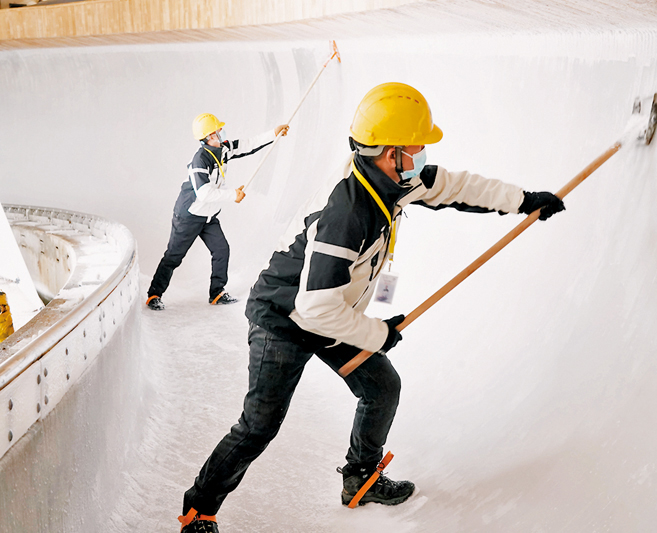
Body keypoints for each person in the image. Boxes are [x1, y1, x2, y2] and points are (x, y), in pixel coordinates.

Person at [178, 83, 565, 532]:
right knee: (259, 424)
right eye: (415, 148)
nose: (422, 155)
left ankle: (360, 478)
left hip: (327, 306)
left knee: (381, 386)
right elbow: (315, 307)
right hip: (282, 316)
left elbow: (456, 187)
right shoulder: (348, 213)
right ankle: (198, 509)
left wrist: (522, 201)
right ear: (390, 152)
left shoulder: (392, 178)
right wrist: (379, 333)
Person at [146, 114, 289, 310]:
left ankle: (217, 293)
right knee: (173, 257)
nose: (222, 133)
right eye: (218, 131)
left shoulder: (222, 149)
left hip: (209, 216)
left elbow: (247, 144)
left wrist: (274, 133)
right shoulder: (200, 160)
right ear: (209, 137)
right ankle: (154, 294)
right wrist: (233, 195)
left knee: (221, 250)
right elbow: (203, 192)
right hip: (189, 216)